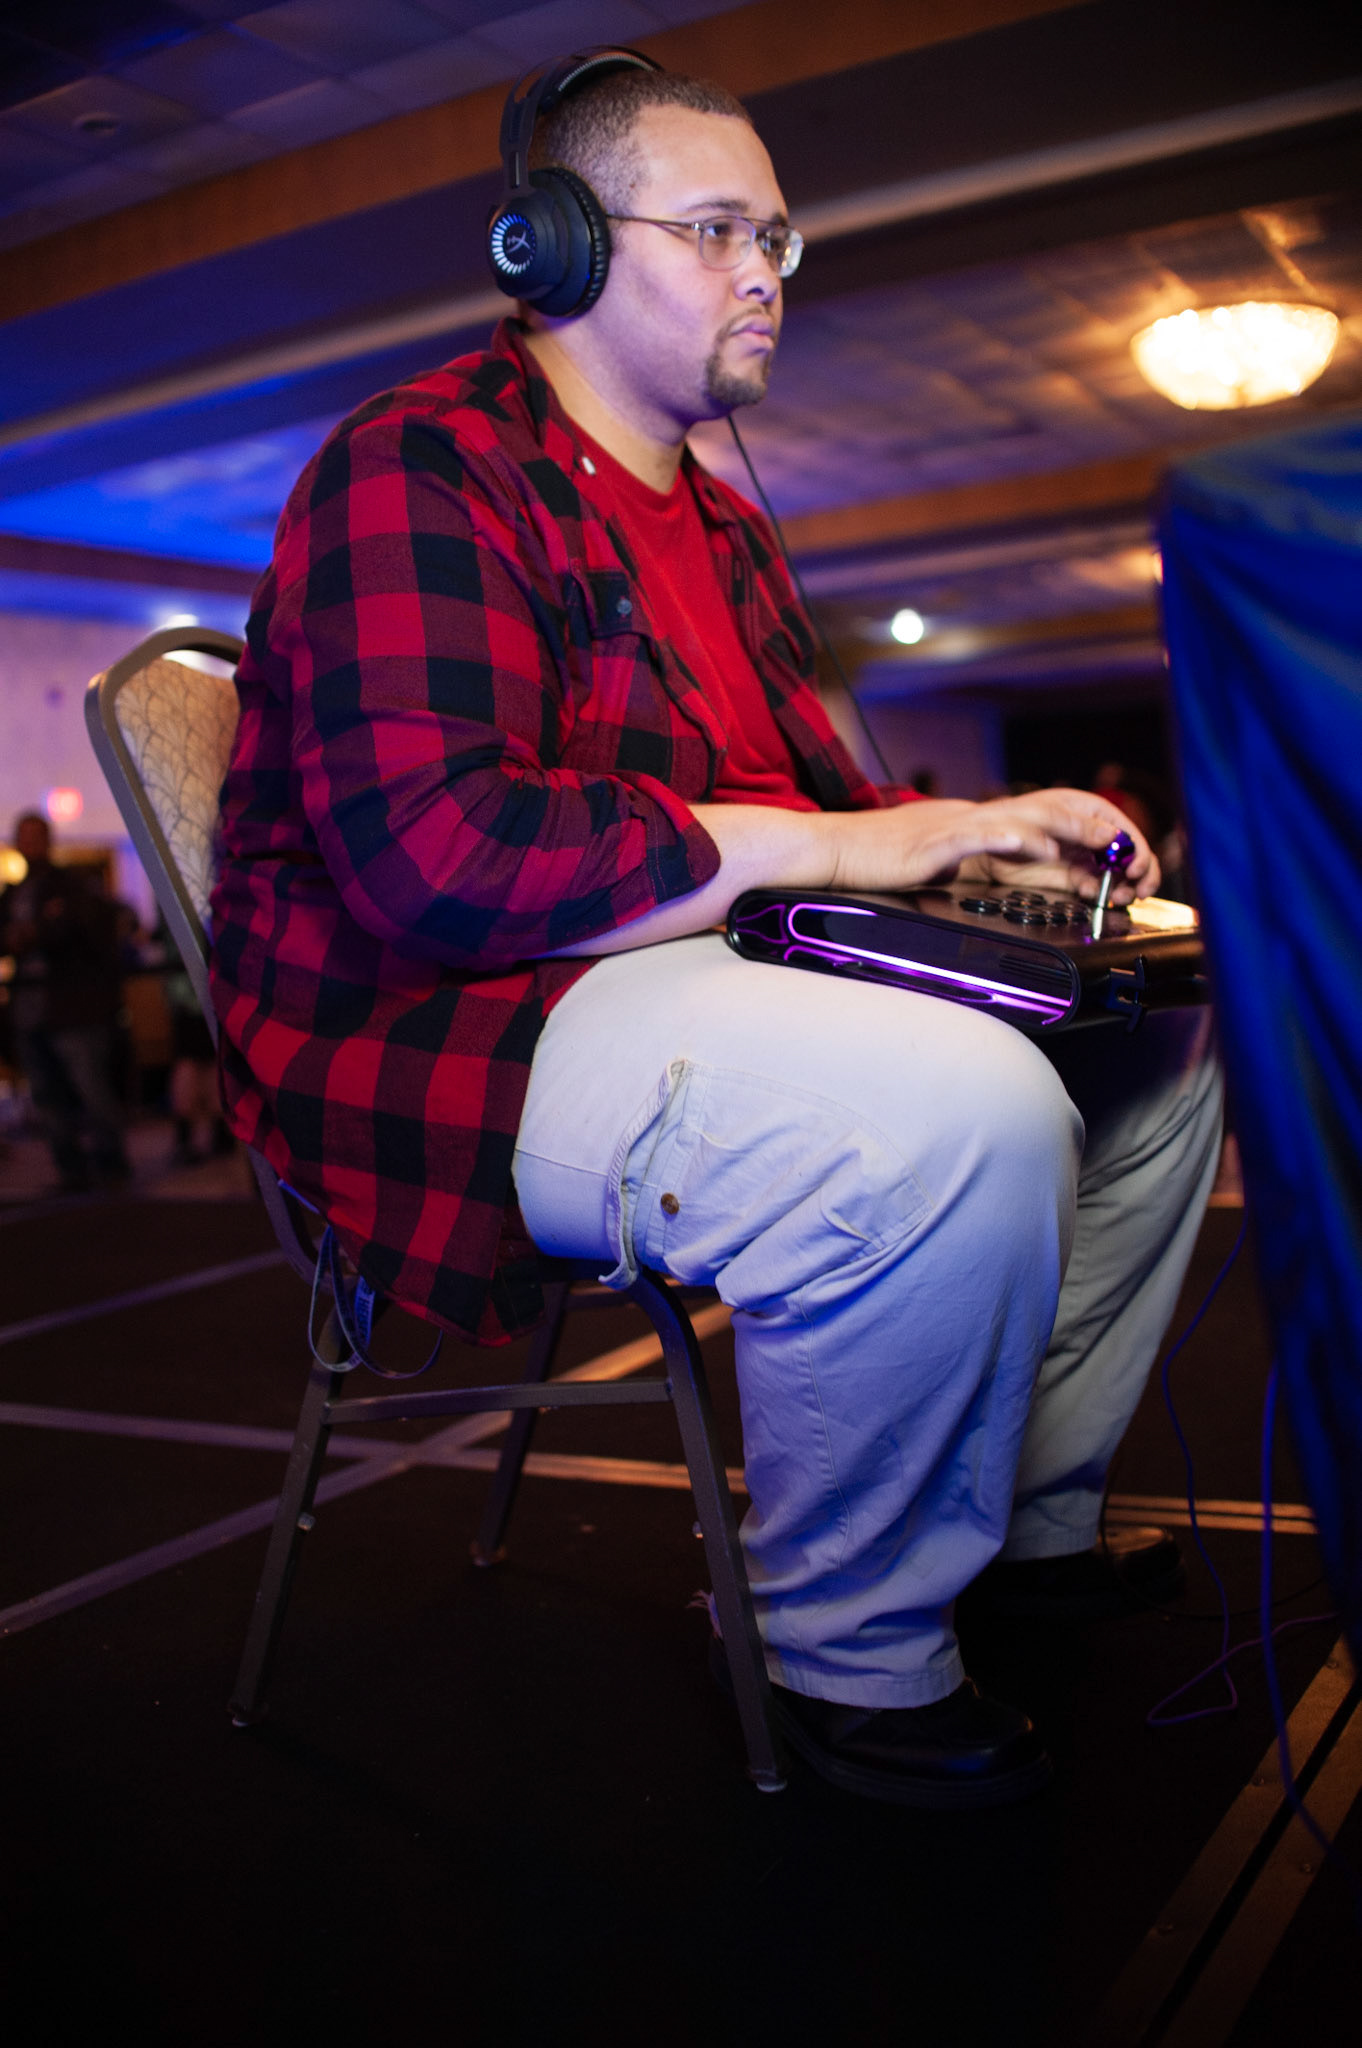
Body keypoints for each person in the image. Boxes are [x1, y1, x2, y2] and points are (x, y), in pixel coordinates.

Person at [209, 52, 1222, 1808]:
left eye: (779, 238)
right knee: (956, 1111)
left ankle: (1022, 1525)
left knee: (1155, 1036)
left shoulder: (731, 526)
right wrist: (832, 841)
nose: (767, 272)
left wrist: (977, 845)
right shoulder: (420, 465)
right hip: (476, 1015)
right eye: (718, 230)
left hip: (696, 959)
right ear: (555, 246)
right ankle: (844, 1646)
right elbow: (439, 863)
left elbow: (813, 810)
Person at [1, 811, 130, 1192]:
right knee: (46, 1093)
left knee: (89, 1085)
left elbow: (86, 930)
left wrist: (36, 932)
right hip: (30, 1008)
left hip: (73, 1008)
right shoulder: (13, 894)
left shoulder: (72, 887)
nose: (30, 844)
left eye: (36, 836)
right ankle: (70, 1168)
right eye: (24, 836)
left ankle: (110, 1161)